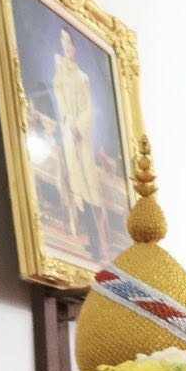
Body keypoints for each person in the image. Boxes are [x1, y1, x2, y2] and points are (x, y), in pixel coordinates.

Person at [52, 28, 109, 258]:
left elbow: (88, 110)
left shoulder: (82, 77)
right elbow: (59, 94)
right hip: (69, 132)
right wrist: (68, 121)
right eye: (63, 42)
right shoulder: (61, 72)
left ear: (75, 48)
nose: (66, 47)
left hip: (81, 137)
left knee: (89, 189)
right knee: (77, 187)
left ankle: (99, 245)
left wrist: (79, 124)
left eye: (69, 43)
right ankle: (92, 242)